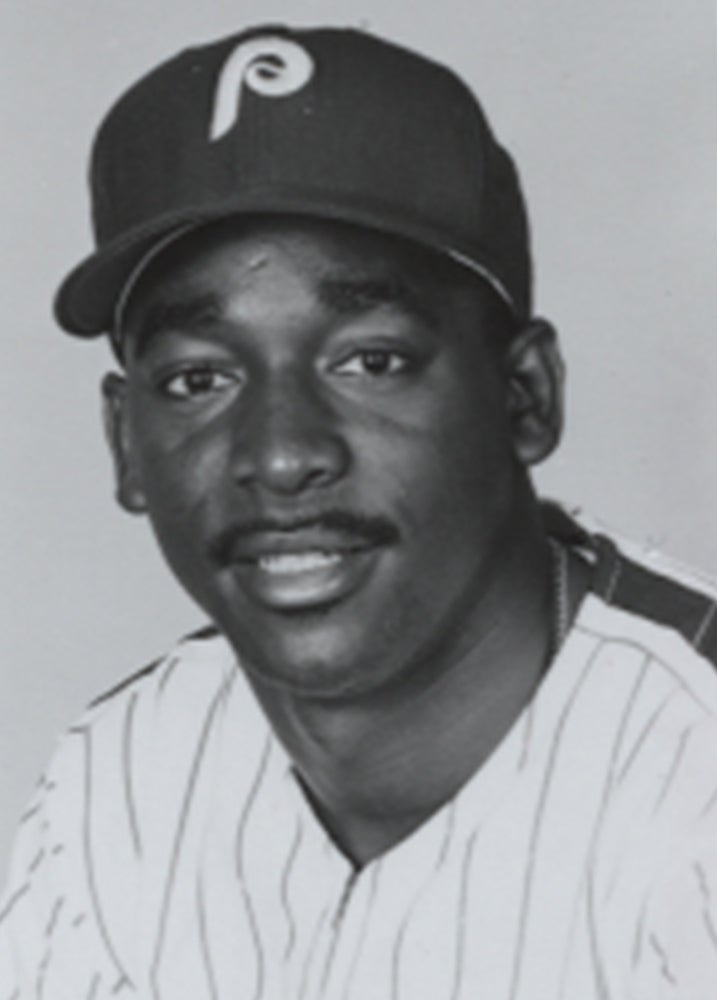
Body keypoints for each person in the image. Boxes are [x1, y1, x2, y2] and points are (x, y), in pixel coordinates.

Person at [1, 23, 716, 999]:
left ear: (525, 397)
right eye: (200, 378)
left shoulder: (692, 771)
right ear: (126, 443)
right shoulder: (118, 776)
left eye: (370, 361)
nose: (283, 453)